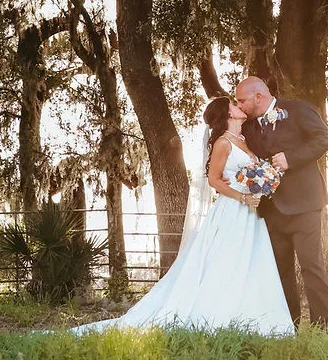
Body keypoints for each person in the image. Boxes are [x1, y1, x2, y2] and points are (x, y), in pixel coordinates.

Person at [68, 94, 295, 336]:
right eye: (233, 104)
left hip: (251, 212)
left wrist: (264, 180)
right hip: (233, 209)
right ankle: (221, 313)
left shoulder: (244, 138)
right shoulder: (223, 143)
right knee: (227, 261)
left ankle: (255, 314)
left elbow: (249, 172)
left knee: (252, 261)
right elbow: (214, 180)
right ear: (227, 114)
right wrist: (242, 196)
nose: (239, 106)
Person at [236, 76, 328, 329]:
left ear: (258, 96)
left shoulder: (298, 110)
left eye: (242, 100)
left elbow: (324, 139)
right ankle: (289, 326)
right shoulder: (247, 127)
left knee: (312, 266)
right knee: (281, 271)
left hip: (305, 204)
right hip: (272, 208)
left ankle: (323, 327)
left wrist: (291, 158)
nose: (239, 105)